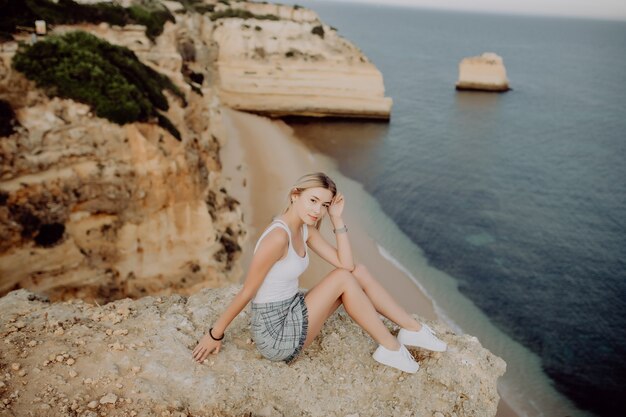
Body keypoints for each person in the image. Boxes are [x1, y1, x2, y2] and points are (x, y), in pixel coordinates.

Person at [192, 172, 446, 373]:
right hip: (275, 335)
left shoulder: (305, 228)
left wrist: (336, 219)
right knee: (345, 278)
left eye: (324, 204)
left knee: (359, 271)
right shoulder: (278, 237)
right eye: (313, 201)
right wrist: (215, 334)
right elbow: (248, 290)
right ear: (295, 195)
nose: (317, 210)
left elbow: (346, 263)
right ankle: (390, 347)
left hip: (291, 311)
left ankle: (412, 330)